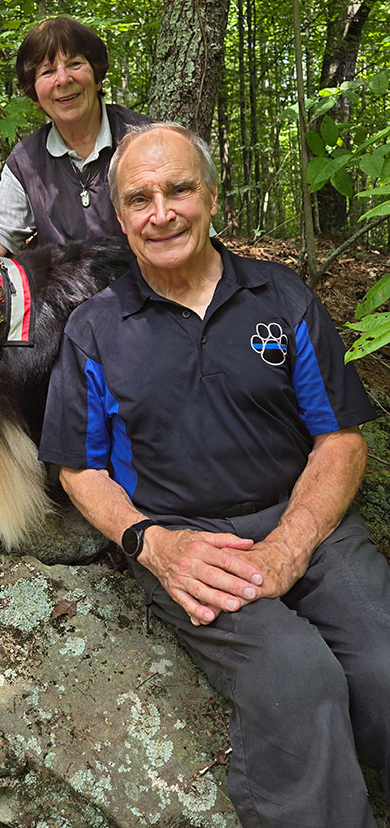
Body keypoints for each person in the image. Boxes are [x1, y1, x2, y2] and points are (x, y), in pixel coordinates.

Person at [38, 121, 390, 827]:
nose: (160, 212)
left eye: (179, 190)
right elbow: (79, 467)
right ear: (120, 215)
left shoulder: (281, 297)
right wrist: (153, 544)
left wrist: (292, 543)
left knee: (383, 664)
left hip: (307, 521)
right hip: (188, 542)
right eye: (139, 198)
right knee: (297, 675)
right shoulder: (96, 328)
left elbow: (341, 441)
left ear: (212, 197)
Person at [0, 16, 152, 255]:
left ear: (97, 77)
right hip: (65, 291)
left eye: (75, 64)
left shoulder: (148, 140)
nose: (63, 79)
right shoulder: (28, 160)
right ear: (34, 93)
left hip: (148, 289)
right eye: (48, 71)